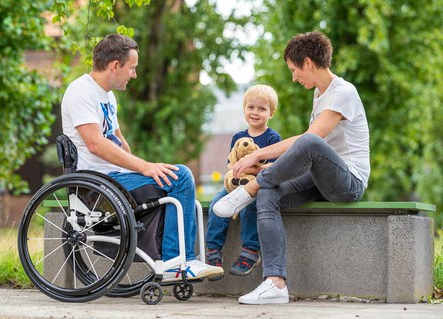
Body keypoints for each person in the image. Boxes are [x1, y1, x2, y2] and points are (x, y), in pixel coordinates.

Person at [213, 31, 370, 304]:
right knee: (269, 194)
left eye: (294, 70)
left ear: (308, 63)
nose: (294, 77)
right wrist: (262, 163)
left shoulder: (343, 92)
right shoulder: (320, 95)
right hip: (320, 178)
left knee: (309, 140)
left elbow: (311, 140)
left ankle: (249, 189)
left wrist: (256, 156)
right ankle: (275, 283)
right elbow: (306, 149)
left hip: (349, 181)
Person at [61, 34, 223, 281]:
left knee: (175, 176)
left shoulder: (108, 96)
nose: (134, 75)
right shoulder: (80, 91)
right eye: (132, 68)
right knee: (180, 177)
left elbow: (119, 142)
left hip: (116, 177)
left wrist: (142, 168)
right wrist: (145, 167)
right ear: (115, 65)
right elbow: (96, 144)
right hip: (97, 182)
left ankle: (179, 259)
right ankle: (176, 262)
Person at [205, 84, 281, 280]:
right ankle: (213, 250)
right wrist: (236, 173)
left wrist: (250, 168)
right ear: (244, 109)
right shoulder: (238, 137)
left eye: (262, 109)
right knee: (216, 205)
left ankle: (250, 251)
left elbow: (273, 168)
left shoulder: (273, 138)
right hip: (235, 185)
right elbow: (231, 165)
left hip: (256, 188)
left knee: (249, 207)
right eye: (251, 107)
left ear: (271, 113)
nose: (255, 112)